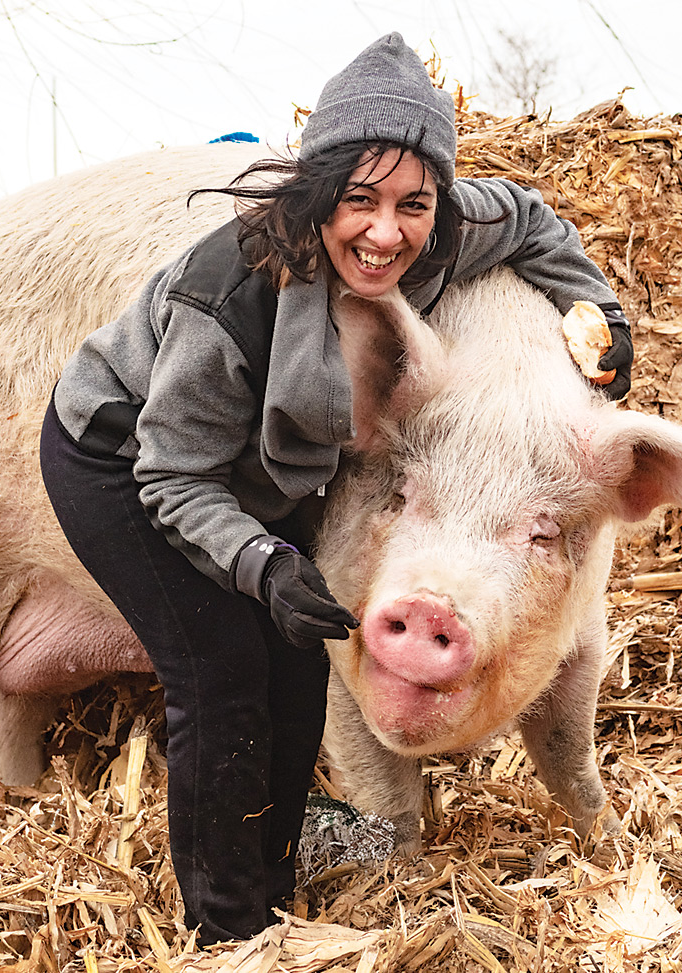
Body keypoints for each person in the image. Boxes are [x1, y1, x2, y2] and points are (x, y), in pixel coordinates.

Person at [39, 31, 632, 946]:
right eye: (358, 200)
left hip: (238, 472)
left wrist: (605, 317)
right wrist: (261, 561)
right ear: (317, 194)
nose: (387, 231)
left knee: (296, 670)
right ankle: (230, 930)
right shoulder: (229, 292)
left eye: (412, 203)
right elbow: (174, 472)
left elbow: (535, 219)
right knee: (224, 671)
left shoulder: (447, 228)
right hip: (121, 454)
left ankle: (277, 874)